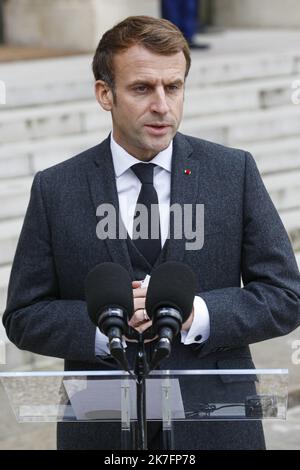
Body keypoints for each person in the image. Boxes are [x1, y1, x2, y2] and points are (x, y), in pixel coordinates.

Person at [3, 16, 300, 450]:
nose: (162, 105)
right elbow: (23, 315)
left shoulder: (232, 172)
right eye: (142, 88)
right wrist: (106, 328)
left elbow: (286, 296)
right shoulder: (56, 188)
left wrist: (198, 314)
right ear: (105, 93)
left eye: (173, 87)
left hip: (217, 429)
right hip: (100, 429)